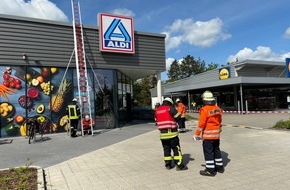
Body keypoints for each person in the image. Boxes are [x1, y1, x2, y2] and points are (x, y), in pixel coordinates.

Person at [194, 90, 224, 176]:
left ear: (204, 100)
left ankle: (210, 170)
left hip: (208, 136)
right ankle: (220, 167)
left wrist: (197, 134)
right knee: (216, 150)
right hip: (216, 135)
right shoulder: (218, 109)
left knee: (208, 152)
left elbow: (202, 123)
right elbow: (220, 121)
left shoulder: (204, 109)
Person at [155, 97, 188, 171]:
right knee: (176, 149)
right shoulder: (170, 108)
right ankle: (179, 165)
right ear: (170, 103)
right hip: (172, 134)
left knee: (166, 149)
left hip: (163, 135)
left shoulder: (158, 110)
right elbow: (178, 117)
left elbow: (156, 120)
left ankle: (168, 165)